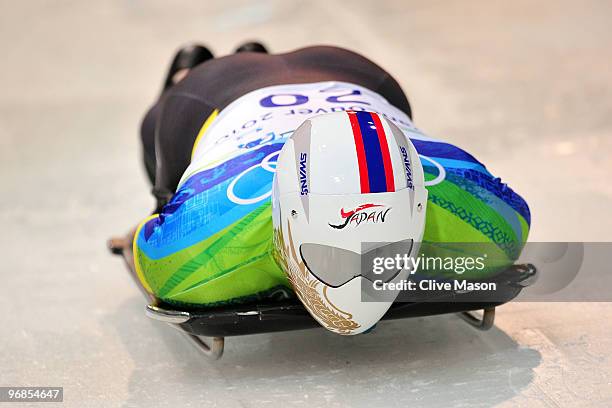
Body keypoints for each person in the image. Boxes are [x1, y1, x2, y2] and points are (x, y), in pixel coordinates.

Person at [133, 43, 531, 332]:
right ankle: (190, 73)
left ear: (420, 212)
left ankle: (243, 57)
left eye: (385, 257)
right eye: (333, 260)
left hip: (356, 79)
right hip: (204, 96)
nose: (361, 286)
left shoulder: (484, 222)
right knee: (158, 142)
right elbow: (151, 236)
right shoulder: (207, 234)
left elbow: (145, 242)